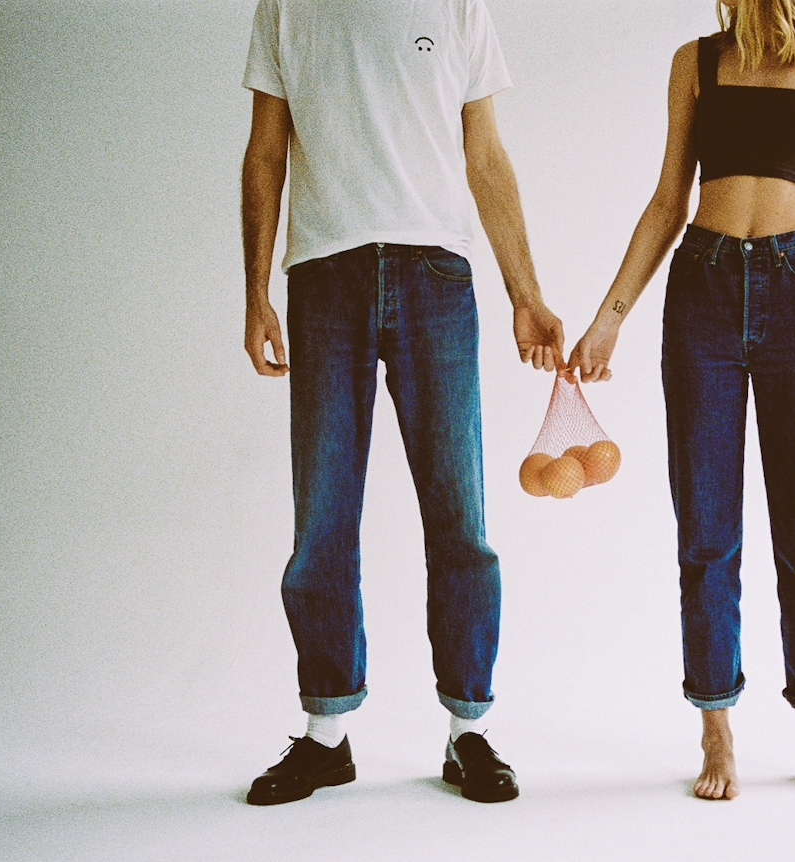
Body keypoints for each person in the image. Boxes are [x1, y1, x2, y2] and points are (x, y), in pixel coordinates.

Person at [239, 0, 563, 805]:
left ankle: (469, 732)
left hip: (436, 278)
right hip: (323, 275)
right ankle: (326, 736)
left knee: (460, 515)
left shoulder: (457, 7)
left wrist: (526, 292)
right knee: (322, 517)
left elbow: (484, 155)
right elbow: (265, 152)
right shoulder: (286, 8)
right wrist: (255, 295)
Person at [568, 0, 795, 800]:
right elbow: (669, 200)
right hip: (701, 288)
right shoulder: (696, 60)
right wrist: (608, 321)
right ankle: (716, 729)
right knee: (706, 529)